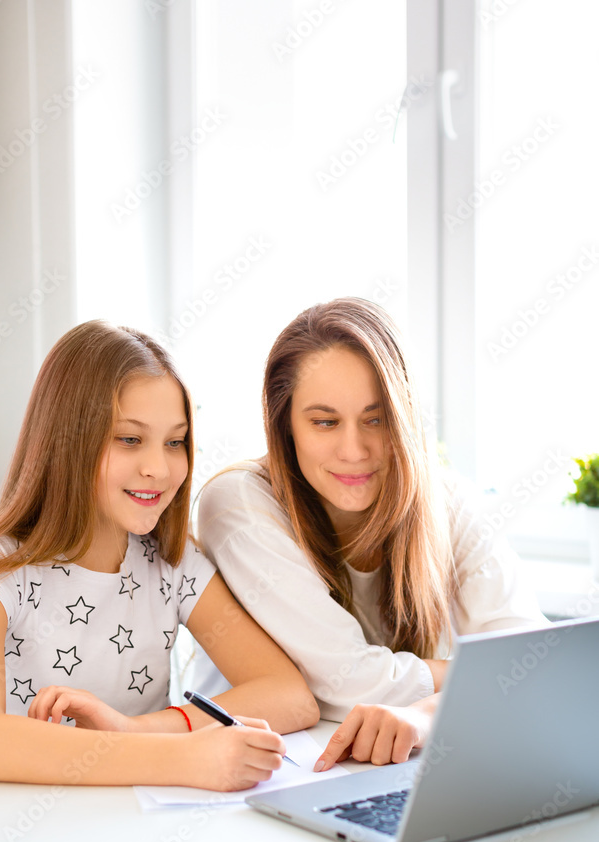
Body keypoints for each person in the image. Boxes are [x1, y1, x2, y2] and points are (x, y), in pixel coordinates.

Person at [0, 321, 319, 791]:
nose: (159, 468)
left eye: (175, 442)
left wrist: (136, 730)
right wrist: (180, 759)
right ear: (66, 441)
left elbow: (291, 697)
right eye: (130, 439)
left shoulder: (174, 564)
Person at [198, 298, 546, 772]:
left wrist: (428, 713)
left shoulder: (443, 498)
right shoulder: (238, 501)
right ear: (286, 428)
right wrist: (478, 677)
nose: (354, 450)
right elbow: (347, 681)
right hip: (253, 775)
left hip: (382, 769)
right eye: (325, 422)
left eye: (375, 419)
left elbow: (535, 663)